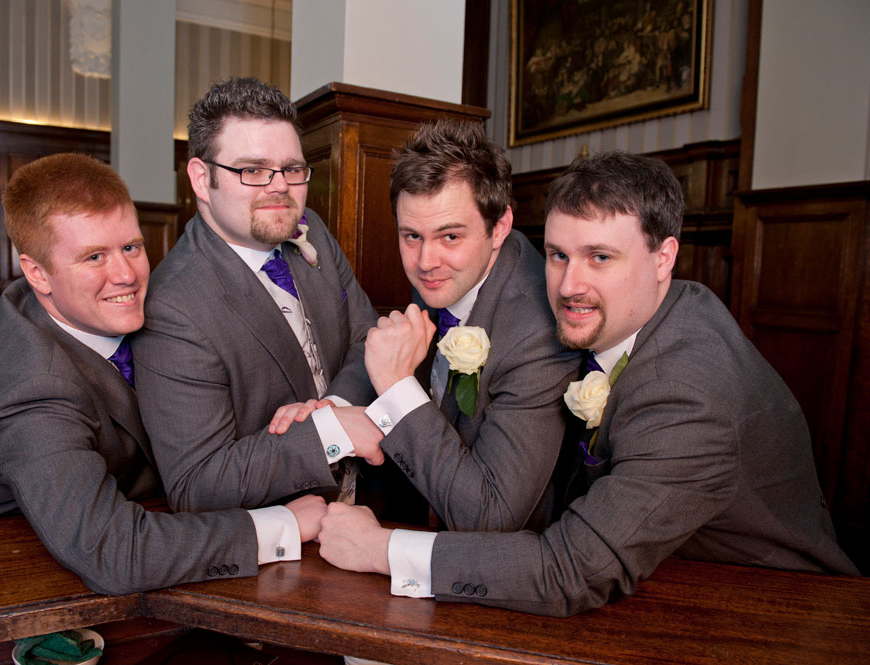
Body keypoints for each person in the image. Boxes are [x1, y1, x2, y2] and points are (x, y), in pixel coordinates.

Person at [317, 151, 858, 617]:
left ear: (663, 257)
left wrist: (382, 550)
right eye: (558, 256)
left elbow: (569, 571)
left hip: (764, 606)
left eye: (601, 257)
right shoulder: (648, 314)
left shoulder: (690, 397)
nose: (569, 286)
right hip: (657, 573)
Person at [0, 153, 327, 595]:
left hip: (149, 531)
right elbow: (113, 552)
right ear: (37, 273)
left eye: (131, 247)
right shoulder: (28, 390)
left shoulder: (113, 309)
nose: (126, 275)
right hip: (17, 577)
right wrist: (282, 526)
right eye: (94, 257)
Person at [132, 77, 383, 515]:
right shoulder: (173, 306)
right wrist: (326, 432)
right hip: (288, 533)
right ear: (200, 177)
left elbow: (367, 340)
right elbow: (197, 484)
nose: (280, 186)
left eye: (292, 168)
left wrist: (335, 406)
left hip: (379, 495)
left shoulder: (314, 231)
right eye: (252, 170)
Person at [332, 119, 579, 531]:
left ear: (499, 226)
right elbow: (392, 336)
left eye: (449, 237)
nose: (426, 262)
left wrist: (396, 385)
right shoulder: (456, 269)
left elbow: (491, 516)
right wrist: (334, 407)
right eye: (411, 236)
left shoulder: (538, 333)